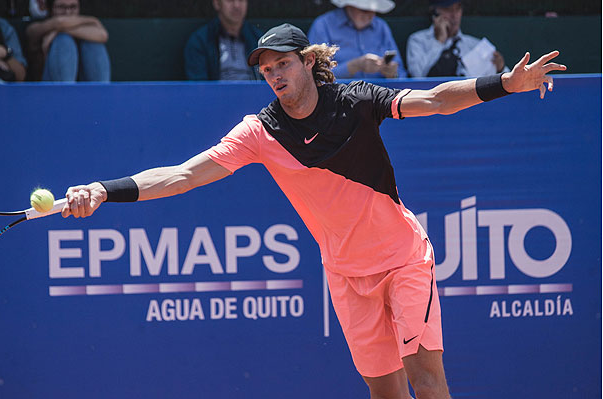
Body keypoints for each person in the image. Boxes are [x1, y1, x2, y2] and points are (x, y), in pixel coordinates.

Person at [62, 23, 564, 399]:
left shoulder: (359, 101)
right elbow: (185, 174)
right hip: (346, 276)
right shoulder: (258, 132)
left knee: (427, 381)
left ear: (306, 61)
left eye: (282, 64)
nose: (274, 76)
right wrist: (105, 190)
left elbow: (433, 100)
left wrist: (504, 83)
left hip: (404, 259)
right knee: (385, 394)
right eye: (265, 71)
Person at [308, 0, 406, 79]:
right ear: (348, 6)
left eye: (374, 9)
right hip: (337, 96)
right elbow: (315, 74)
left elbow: (400, 73)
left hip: (381, 95)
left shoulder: (381, 26)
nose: (370, 15)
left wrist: (392, 73)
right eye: (364, 10)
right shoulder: (323, 25)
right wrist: (353, 66)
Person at [407, 0, 507, 78]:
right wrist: (439, 42)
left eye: (457, 9)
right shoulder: (417, 40)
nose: (454, 15)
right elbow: (418, 76)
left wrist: (500, 69)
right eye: (448, 9)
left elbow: (509, 79)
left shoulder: (474, 45)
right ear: (435, 12)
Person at [25, 0, 110, 82]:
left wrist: (58, 31)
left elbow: (103, 35)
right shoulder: (37, 28)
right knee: (63, 40)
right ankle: (65, 93)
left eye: (73, 7)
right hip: (50, 90)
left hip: (86, 88)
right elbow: (59, 22)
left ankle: (101, 93)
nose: (67, 12)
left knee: (92, 43)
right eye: (61, 7)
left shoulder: (85, 28)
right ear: (50, 9)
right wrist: (93, 20)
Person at [184, 0, 263, 80]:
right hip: (216, 92)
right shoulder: (200, 41)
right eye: (230, 1)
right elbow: (199, 85)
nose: (236, 5)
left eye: (241, 0)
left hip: (254, 91)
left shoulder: (258, 39)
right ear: (217, 3)